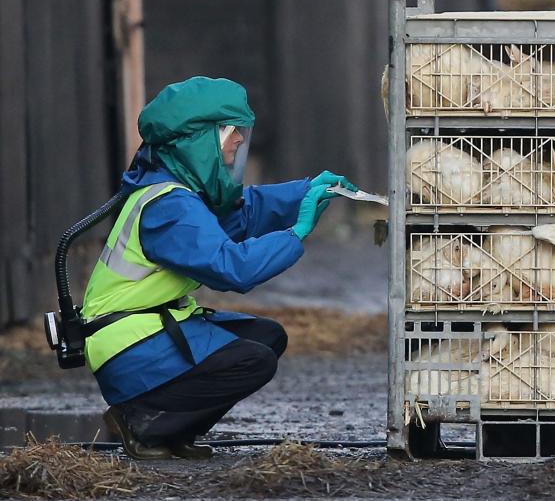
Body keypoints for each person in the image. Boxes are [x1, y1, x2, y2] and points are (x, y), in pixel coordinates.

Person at [80, 76, 356, 459]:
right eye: (231, 132)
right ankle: (144, 421)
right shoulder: (169, 206)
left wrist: (305, 192)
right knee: (252, 359)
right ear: (199, 139)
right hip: (130, 346)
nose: (240, 141)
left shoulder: (179, 192)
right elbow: (232, 269)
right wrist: (295, 234)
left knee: (266, 337)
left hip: (148, 331)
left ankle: (174, 429)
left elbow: (240, 215)